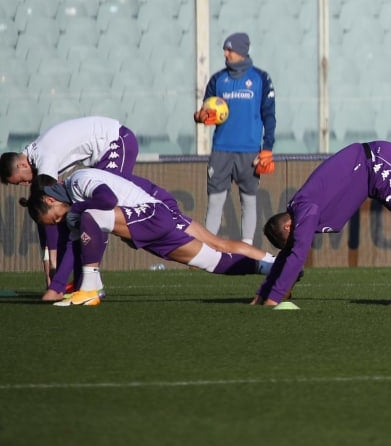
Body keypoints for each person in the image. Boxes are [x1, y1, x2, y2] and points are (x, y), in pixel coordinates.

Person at [21, 170, 275, 306]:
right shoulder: (75, 210)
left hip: (153, 213)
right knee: (212, 261)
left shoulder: (79, 181)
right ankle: (273, 269)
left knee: (89, 216)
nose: (59, 221)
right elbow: (74, 247)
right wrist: (56, 288)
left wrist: (77, 210)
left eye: (54, 218)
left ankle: (90, 289)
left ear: (50, 200)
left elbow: (107, 200)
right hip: (148, 224)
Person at [255, 141, 391, 306]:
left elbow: (298, 254)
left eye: (291, 239)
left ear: (287, 226)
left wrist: (273, 298)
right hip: (371, 167)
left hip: (378, 162)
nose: (296, 240)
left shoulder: (306, 210)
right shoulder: (297, 208)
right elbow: (288, 253)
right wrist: (263, 293)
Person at [2, 115, 140, 301]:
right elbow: (46, 215)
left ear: (21, 164)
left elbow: (49, 213)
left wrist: (53, 264)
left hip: (117, 142)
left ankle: (88, 285)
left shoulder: (44, 157)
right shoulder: (35, 157)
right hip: (103, 152)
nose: (25, 184)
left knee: (96, 216)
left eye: (21, 180)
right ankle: (83, 284)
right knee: (86, 218)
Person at [195, 32, 276, 246]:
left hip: (250, 151)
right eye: (225, 49)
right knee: (215, 200)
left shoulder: (261, 78)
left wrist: (267, 148)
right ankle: (208, 247)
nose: (225, 53)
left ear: (241, 51)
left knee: (249, 200)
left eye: (229, 49)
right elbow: (203, 111)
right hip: (221, 150)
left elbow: (269, 116)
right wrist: (200, 117)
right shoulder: (217, 79)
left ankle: (246, 248)